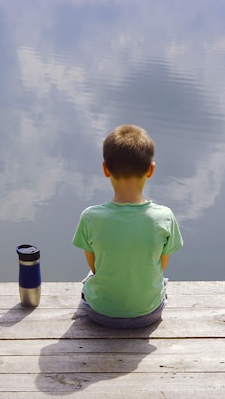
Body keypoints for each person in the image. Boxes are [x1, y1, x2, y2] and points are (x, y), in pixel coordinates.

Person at [72, 124, 183, 329]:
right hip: (148, 314)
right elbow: (161, 266)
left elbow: (94, 267)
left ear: (105, 169)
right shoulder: (164, 217)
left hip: (101, 314)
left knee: (89, 277)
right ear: (151, 170)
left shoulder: (90, 217)